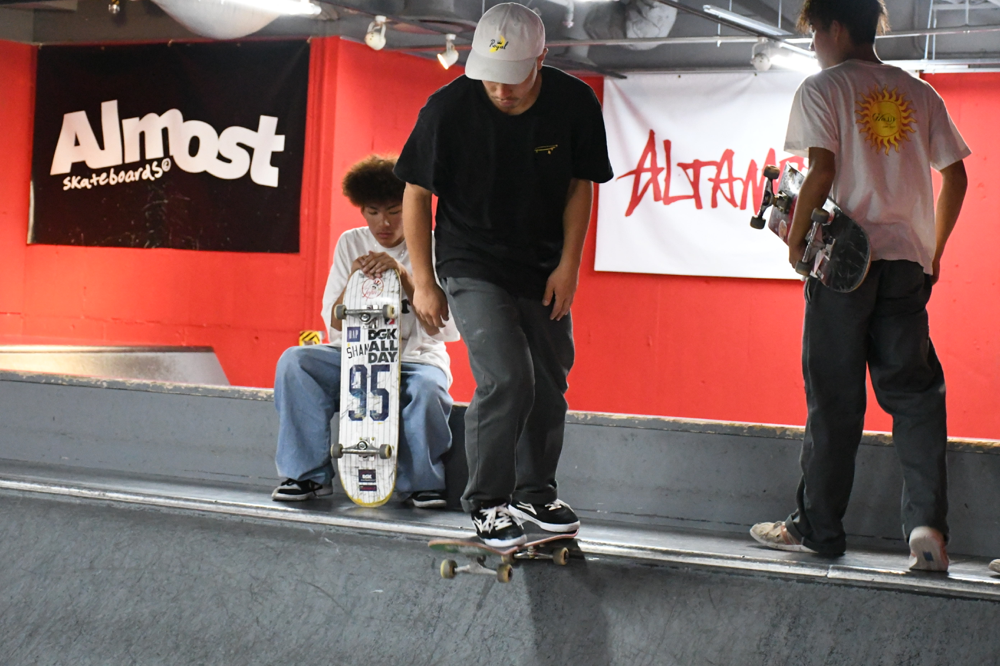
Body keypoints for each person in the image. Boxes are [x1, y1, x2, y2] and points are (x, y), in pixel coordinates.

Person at [749, 0, 969, 572]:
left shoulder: (822, 88)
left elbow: (820, 170)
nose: (814, 45)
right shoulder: (920, 93)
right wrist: (934, 249)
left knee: (835, 399)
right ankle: (927, 526)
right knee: (915, 396)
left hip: (844, 267)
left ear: (836, 27)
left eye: (815, 33)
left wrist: (796, 244)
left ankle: (818, 528)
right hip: (906, 264)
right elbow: (956, 176)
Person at [394, 3, 613, 547]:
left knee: (550, 380)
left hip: (541, 262)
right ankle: (487, 501)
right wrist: (424, 280)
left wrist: (569, 264)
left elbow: (580, 184)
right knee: (509, 377)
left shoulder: (573, 103)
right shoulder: (448, 109)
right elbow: (416, 193)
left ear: (541, 58)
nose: (500, 90)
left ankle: (534, 492)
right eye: (490, 77)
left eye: (512, 77)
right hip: (470, 259)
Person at [271, 155, 459, 508]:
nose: (383, 222)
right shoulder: (350, 242)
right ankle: (307, 476)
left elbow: (445, 329)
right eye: (373, 212)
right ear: (362, 211)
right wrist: (354, 280)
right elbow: (334, 321)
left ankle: (422, 483)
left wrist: (405, 277)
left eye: (394, 211)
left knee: (428, 388)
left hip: (414, 359)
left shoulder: (434, 246)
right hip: (356, 355)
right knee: (296, 361)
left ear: (410, 206)